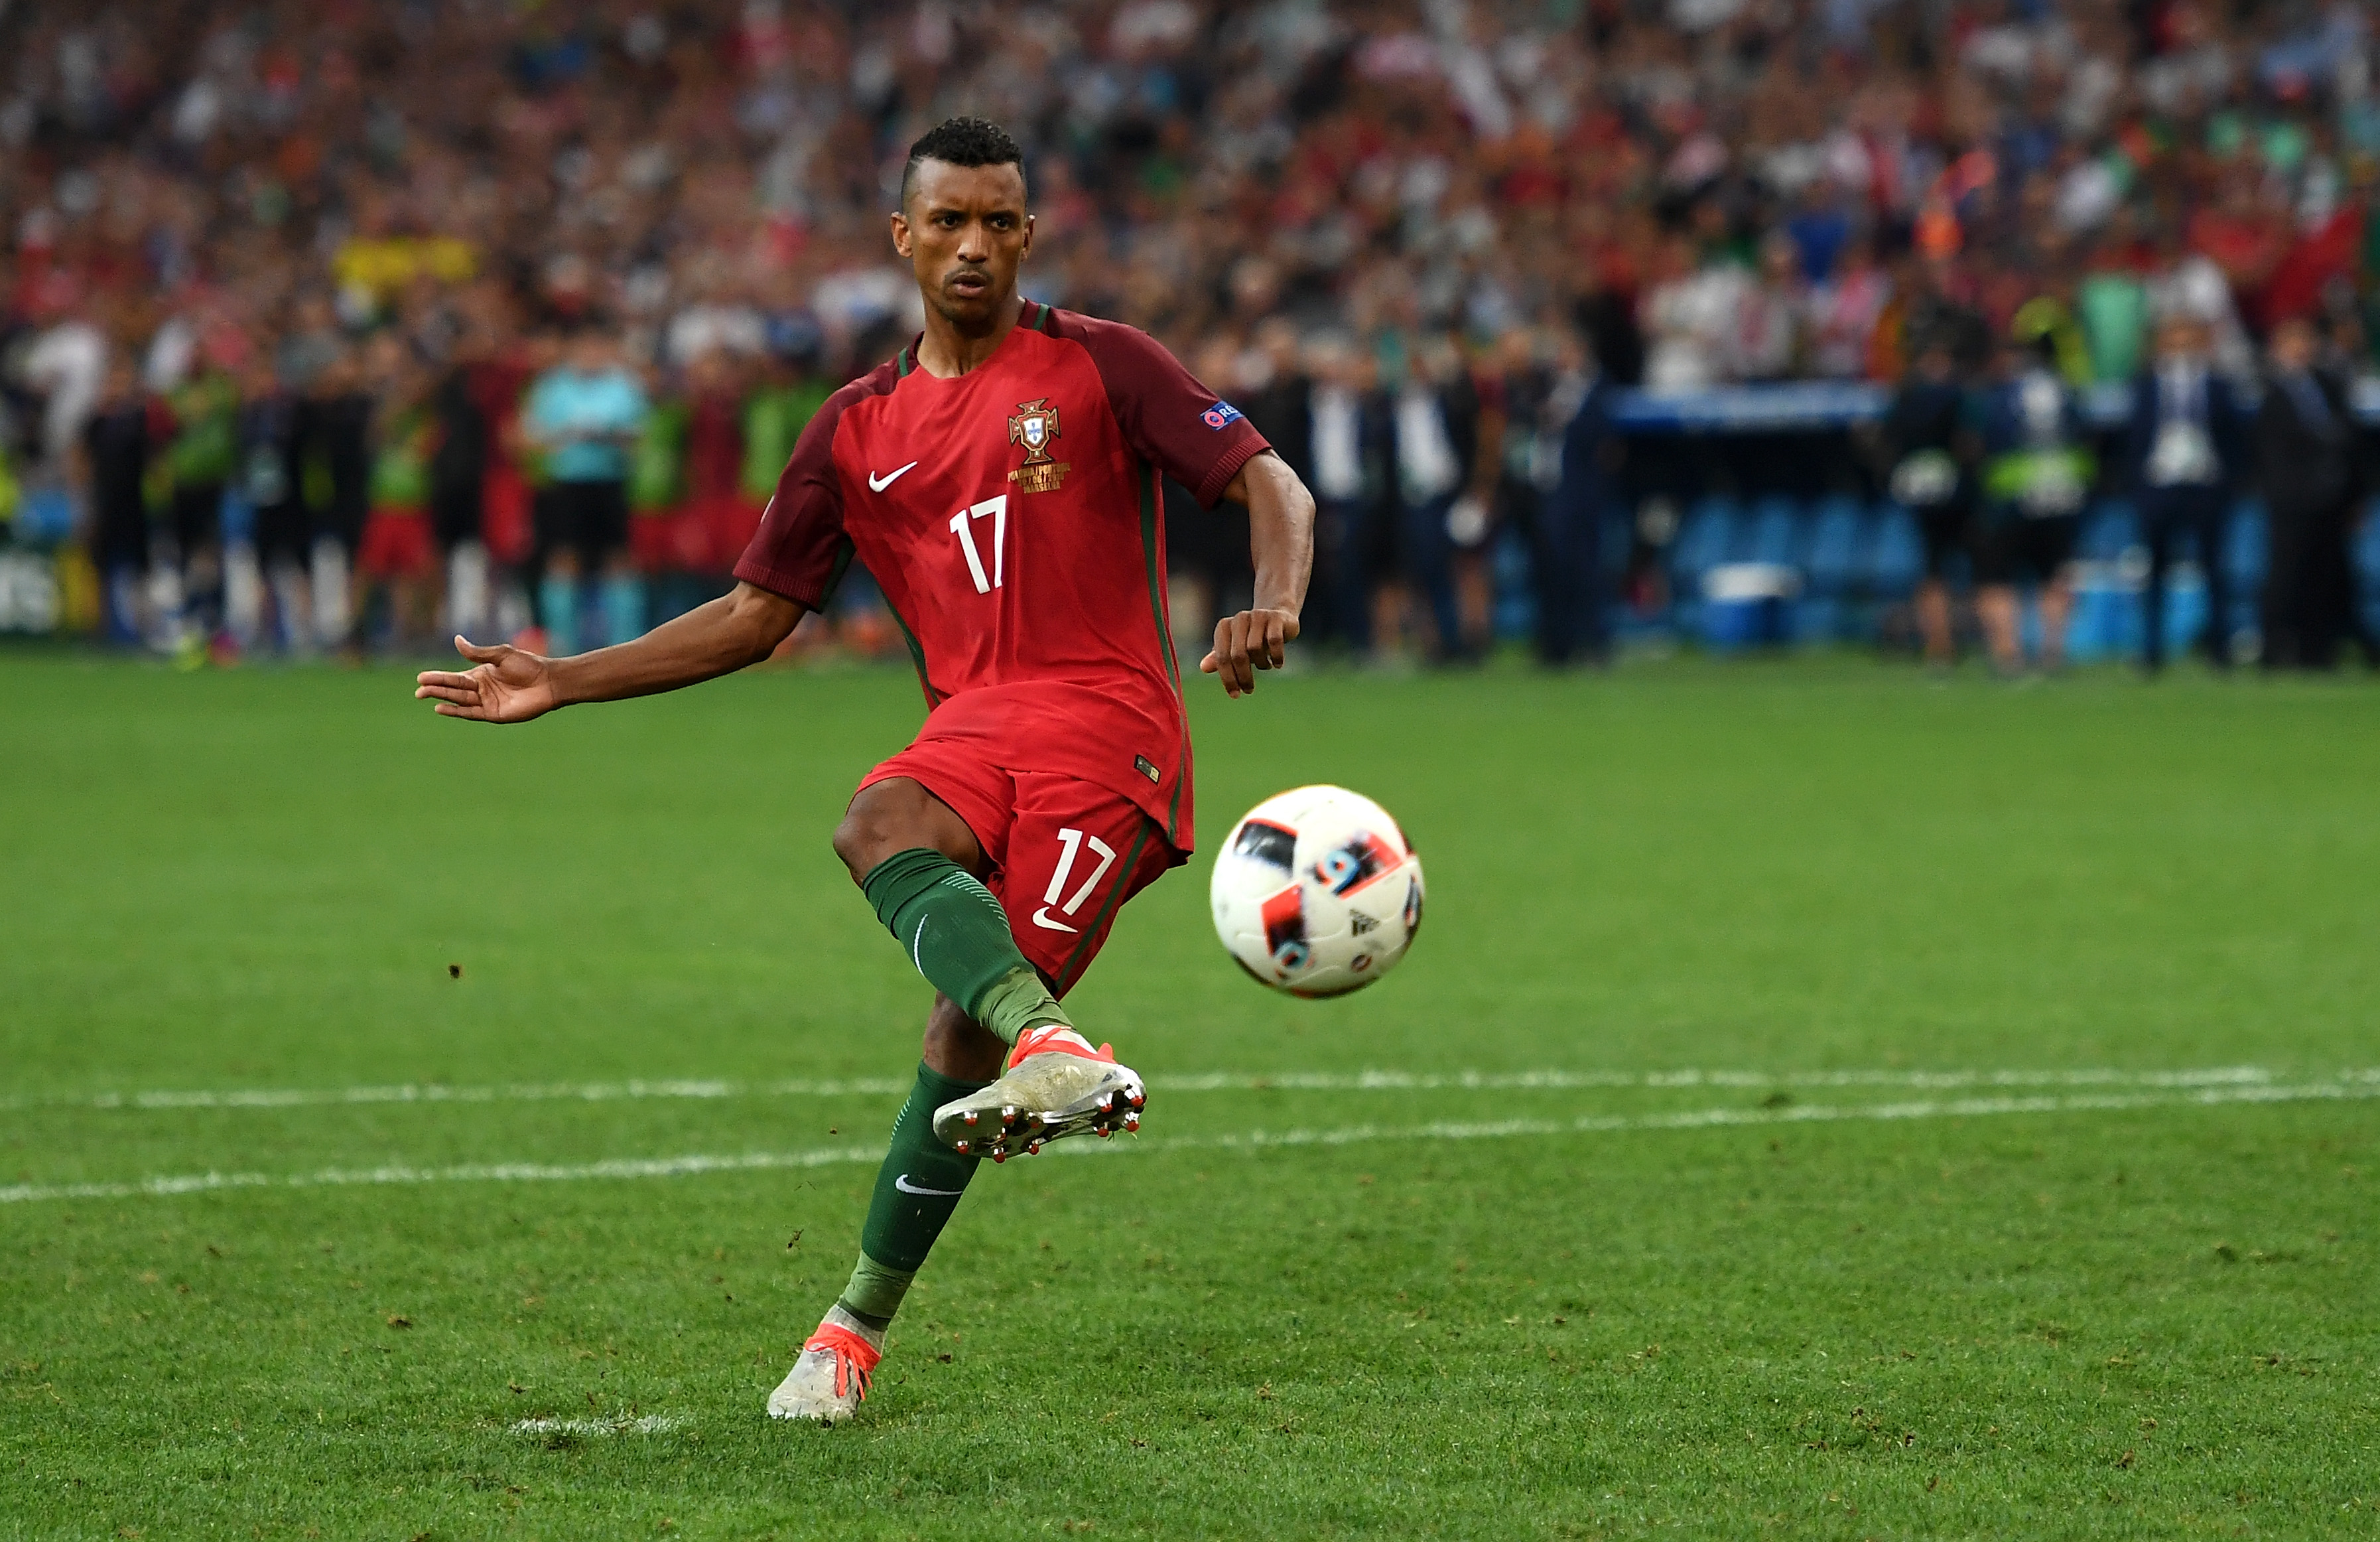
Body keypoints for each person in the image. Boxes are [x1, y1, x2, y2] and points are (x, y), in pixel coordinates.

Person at [412, 117, 1315, 1425]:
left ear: (1028, 237)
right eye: (947, 220)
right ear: (903, 237)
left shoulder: (1103, 365)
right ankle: (1058, 1051)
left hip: (1112, 732)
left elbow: (1273, 485)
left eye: (999, 222)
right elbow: (752, 614)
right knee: (873, 819)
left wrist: (1272, 600)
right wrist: (565, 677)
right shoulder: (855, 427)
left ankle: (849, 1334)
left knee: (961, 1026)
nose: (972, 245)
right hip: (971, 734)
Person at [2125, 312, 2244, 673]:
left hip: (2205, 485)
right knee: (2155, 569)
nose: (2181, 348)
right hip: (2159, 486)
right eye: (2173, 340)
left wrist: (2228, 482)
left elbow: (2234, 438)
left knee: (2215, 568)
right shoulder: (2146, 385)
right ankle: (2151, 650)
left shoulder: (2219, 385)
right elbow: (2134, 440)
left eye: (2188, 339)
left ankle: (2219, 648)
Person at [2255, 315, 2372, 670]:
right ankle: (2275, 649)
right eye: (2292, 342)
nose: (2300, 349)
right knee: (2286, 574)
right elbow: (2268, 450)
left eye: (2305, 341)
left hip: (2332, 498)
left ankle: (2319, 650)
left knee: (2329, 574)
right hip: (2291, 499)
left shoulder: (2330, 386)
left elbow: (2351, 443)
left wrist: (2354, 494)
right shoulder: (2265, 390)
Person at [522, 327, 650, 653]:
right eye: (584, 347)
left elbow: (639, 436)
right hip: (567, 484)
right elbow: (530, 438)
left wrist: (608, 435)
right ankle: (563, 645)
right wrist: (566, 435)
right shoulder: (553, 388)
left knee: (618, 558)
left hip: (609, 481)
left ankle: (626, 643)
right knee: (565, 558)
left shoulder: (623, 386)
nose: (591, 354)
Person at [1974, 332, 2093, 675]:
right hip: (2062, 494)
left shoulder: (2004, 394)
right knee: (2055, 572)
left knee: (1997, 575)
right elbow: (2083, 438)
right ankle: (2053, 651)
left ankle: (2008, 654)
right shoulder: (2066, 392)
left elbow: (1990, 439)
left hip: (2011, 495)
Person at [1881, 336, 1977, 669]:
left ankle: (1940, 647)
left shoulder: (1906, 396)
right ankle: (1943, 643)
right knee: (1948, 568)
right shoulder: (1958, 396)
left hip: (1920, 489)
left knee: (1935, 570)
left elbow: (1886, 439)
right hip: (1953, 489)